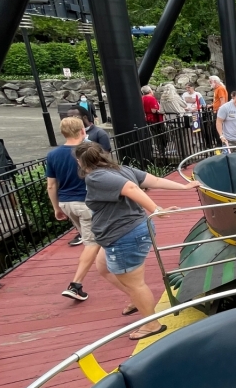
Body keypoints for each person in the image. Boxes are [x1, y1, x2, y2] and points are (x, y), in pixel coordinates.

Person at [75, 142, 194, 340]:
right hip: (123, 232)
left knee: (135, 284)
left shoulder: (96, 177)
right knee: (102, 266)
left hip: (124, 234)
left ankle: (152, 324)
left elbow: (130, 188)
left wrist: (156, 209)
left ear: (80, 161)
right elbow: (153, 180)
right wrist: (184, 187)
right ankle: (137, 300)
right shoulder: (119, 169)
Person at [46, 117, 101, 301]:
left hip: (66, 203)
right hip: (86, 202)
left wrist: (56, 208)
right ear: (82, 131)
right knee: (92, 242)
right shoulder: (87, 150)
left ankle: (103, 262)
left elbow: (51, 185)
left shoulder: (53, 155)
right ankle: (76, 284)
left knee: (91, 239)